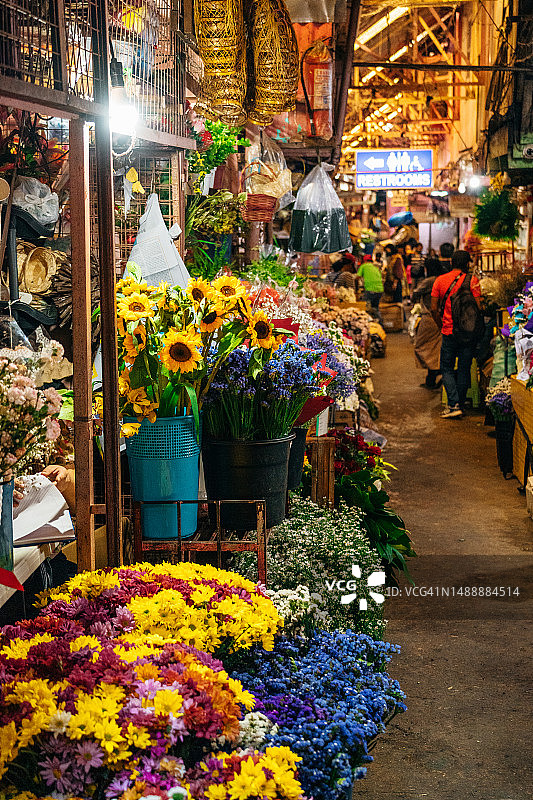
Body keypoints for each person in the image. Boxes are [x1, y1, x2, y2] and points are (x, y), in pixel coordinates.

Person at [431, 250, 481, 419]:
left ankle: (453, 404)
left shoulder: (440, 280)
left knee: (446, 368)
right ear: (467, 263)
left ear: (451, 262)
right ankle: (459, 403)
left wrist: (441, 325)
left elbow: (433, 308)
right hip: (467, 333)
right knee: (464, 369)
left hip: (448, 331)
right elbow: (479, 308)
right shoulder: (473, 281)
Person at [412, 258, 442, 389]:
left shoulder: (429, 281)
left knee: (421, 346)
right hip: (441, 318)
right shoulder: (442, 279)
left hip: (430, 317)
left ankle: (436, 372)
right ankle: (432, 376)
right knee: (435, 347)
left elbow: (415, 293)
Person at [357, 254, 384, 321]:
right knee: (375, 307)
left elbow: (357, 277)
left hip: (370, 290)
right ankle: (380, 322)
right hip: (380, 290)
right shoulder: (376, 267)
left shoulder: (363, 266)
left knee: (364, 307)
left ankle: (367, 322)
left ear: (365, 261)